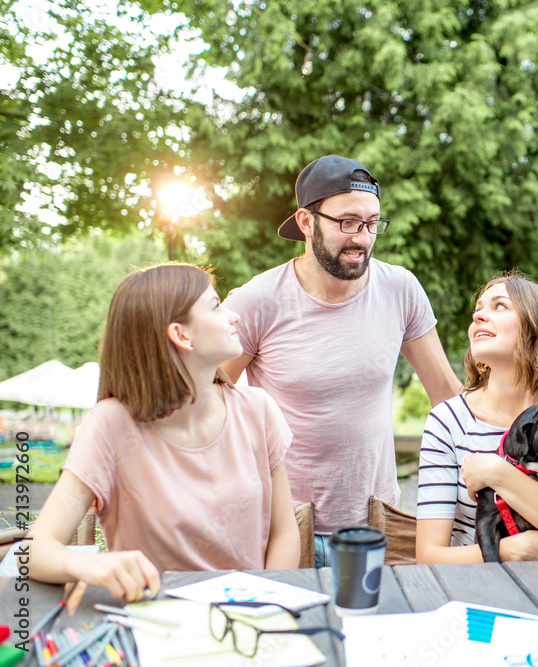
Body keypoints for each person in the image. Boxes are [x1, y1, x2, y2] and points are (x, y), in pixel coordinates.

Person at [221, 155, 462, 566]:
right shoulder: (258, 301)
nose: (363, 238)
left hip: (380, 527)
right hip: (285, 529)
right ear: (305, 221)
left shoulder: (400, 289)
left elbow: (449, 398)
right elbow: (207, 402)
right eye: (348, 222)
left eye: (372, 223)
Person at [27, 263, 300, 601]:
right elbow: (34, 551)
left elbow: (284, 533)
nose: (235, 317)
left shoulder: (258, 410)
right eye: (216, 306)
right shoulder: (110, 424)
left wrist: (263, 604)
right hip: (154, 628)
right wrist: (87, 566)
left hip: (249, 622)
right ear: (181, 335)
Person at [415, 271, 538, 563]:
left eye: (499, 306)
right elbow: (428, 557)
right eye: (478, 309)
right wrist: (509, 551)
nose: (479, 316)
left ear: (537, 326)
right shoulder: (448, 420)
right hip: (476, 591)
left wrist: (498, 473)